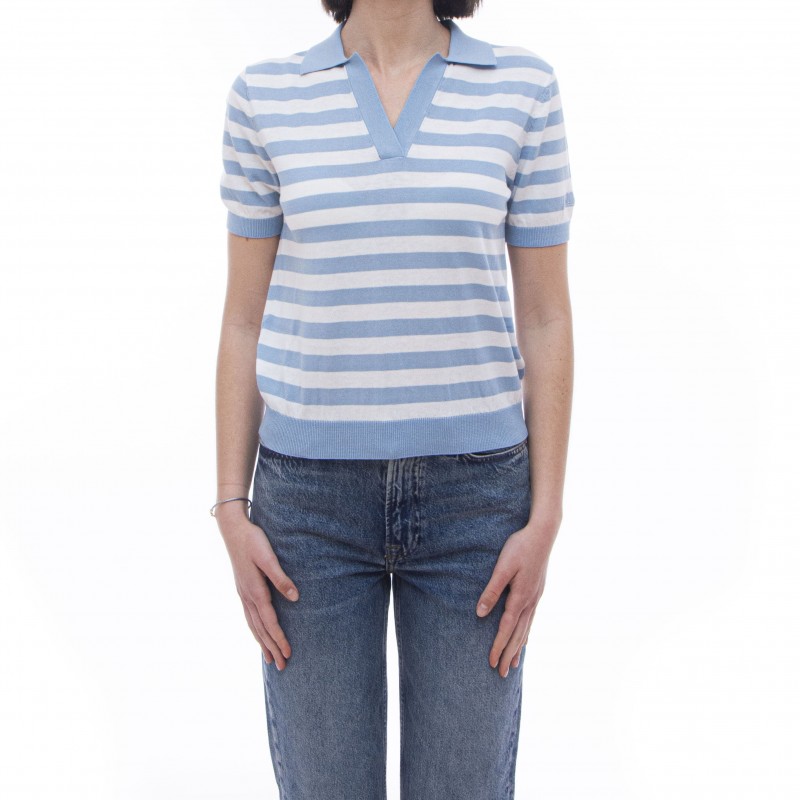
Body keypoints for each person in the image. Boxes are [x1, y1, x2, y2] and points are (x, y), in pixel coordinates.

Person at [213, 0, 575, 796]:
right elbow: (242, 321)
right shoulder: (265, 96)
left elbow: (547, 317)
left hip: (477, 509)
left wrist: (545, 514)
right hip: (308, 514)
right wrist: (231, 510)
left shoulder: (522, 89)